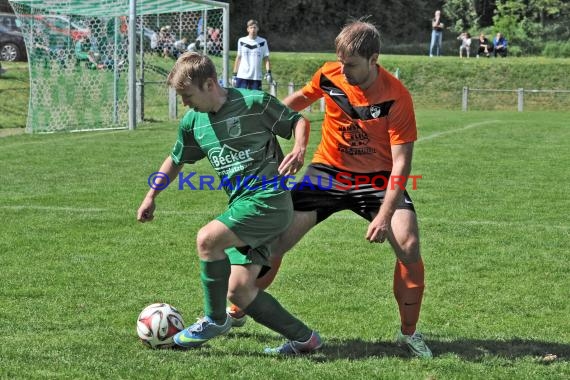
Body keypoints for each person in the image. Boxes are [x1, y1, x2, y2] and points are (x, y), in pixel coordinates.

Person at [227, 20, 433, 359]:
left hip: (377, 179)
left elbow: (401, 165)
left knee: (408, 244)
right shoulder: (330, 74)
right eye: (340, 61)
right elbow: (294, 102)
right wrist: (258, 123)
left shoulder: (397, 97)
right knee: (275, 239)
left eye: (351, 64)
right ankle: (236, 310)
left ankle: (409, 333)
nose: (343, 70)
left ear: (373, 59)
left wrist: (383, 216)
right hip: (328, 173)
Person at [136, 51, 322, 355]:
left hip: (269, 200)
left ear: (209, 84)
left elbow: (297, 120)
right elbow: (176, 159)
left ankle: (215, 319)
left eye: (187, 95)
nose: (184, 103)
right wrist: (151, 195)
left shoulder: (253, 102)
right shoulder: (193, 121)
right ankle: (305, 339)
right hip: (243, 205)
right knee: (240, 290)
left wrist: (300, 148)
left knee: (207, 240)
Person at [232, 19, 273, 90]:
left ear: (258, 29)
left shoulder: (263, 42)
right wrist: (234, 75)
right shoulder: (241, 41)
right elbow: (238, 58)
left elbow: (266, 58)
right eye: (251, 27)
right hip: (242, 76)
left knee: (256, 100)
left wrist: (268, 72)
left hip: (256, 77)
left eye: (255, 27)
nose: (253, 29)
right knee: (241, 99)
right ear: (248, 29)